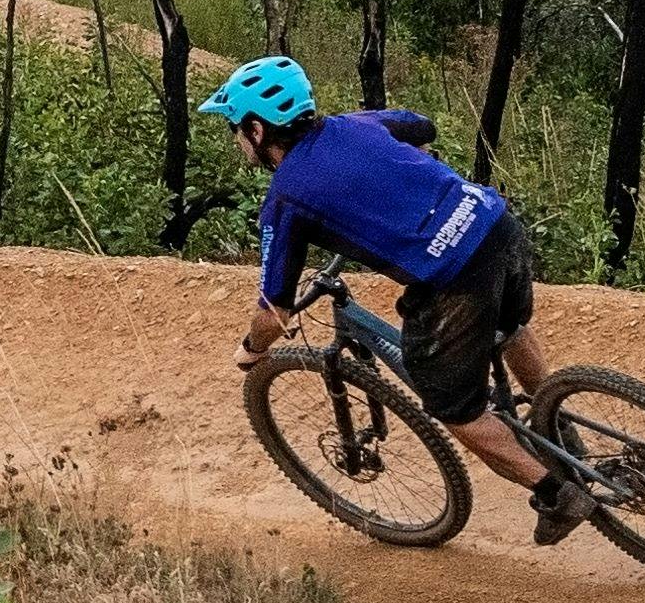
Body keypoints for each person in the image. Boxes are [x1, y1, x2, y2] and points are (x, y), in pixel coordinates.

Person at [208, 55, 580, 542]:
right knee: (507, 328)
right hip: (495, 223)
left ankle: (558, 495)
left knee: (453, 409)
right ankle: (561, 430)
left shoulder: (285, 198)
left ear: (257, 130)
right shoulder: (356, 124)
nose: (238, 141)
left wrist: (253, 349)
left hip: (455, 276)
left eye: (237, 129)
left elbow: (275, 308)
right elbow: (420, 125)